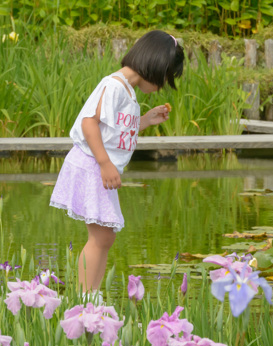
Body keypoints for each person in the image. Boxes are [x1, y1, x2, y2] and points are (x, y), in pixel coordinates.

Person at [49, 30, 185, 296]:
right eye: (164, 78)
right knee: (100, 237)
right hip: (91, 163)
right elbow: (89, 122)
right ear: (155, 66)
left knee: (105, 236)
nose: (161, 87)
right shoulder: (114, 85)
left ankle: (90, 295)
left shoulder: (127, 90)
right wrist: (105, 164)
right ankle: (84, 297)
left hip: (96, 165)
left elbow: (116, 130)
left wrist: (145, 120)